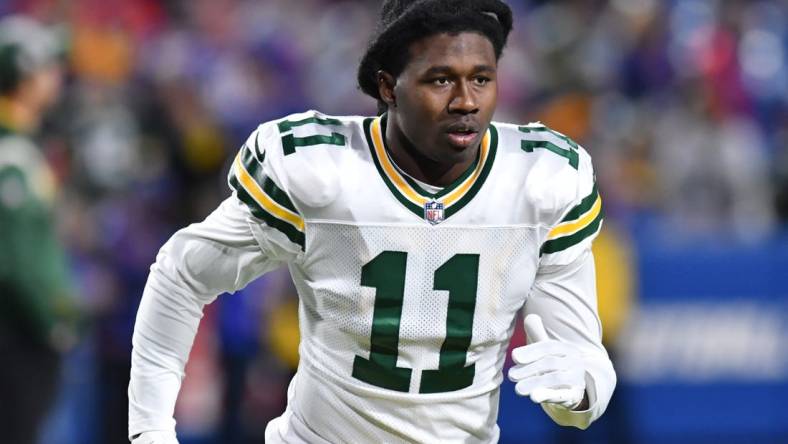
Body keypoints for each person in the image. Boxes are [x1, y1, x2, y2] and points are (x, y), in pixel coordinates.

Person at [128, 1, 616, 442]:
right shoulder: (323, 172)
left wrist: (580, 390)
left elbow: (586, 366)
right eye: (440, 79)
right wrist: (149, 430)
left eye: (481, 79)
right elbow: (180, 275)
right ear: (388, 86)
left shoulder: (543, 179)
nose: (466, 101)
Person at [0, 15, 78, 444]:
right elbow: (14, 259)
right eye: (48, 68)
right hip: (15, 336)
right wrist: (55, 319)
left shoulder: (22, 146)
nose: (57, 77)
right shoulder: (11, 154)